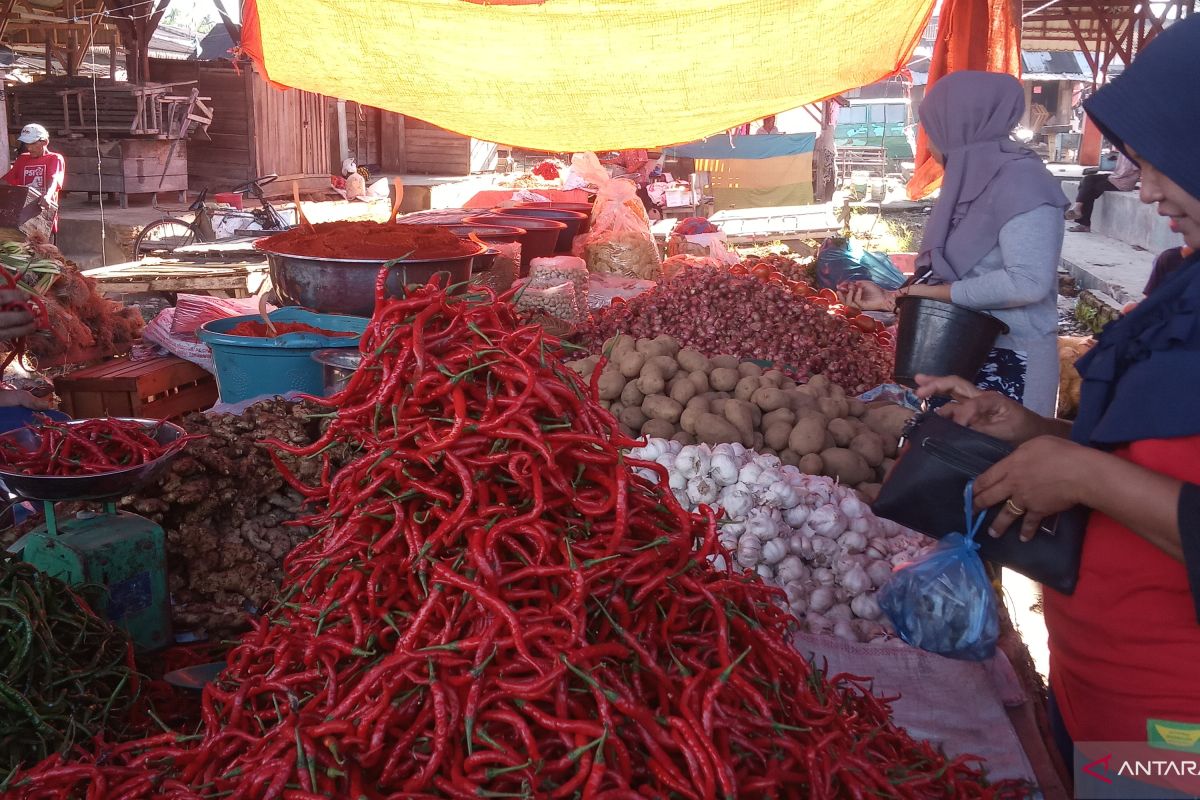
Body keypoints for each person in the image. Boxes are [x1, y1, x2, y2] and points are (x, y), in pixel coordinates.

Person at [915, 15, 1200, 787]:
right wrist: (1039, 428)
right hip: (1099, 689)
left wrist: (1084, 476)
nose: (1141, 187)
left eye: (1159, 159)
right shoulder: (1182, 285)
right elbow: (1161, 454)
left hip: (1178, 733)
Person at [840, 71, 1067, 415]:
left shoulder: (1025, 183)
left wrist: (925, 294)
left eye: (932, 130)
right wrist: (893, 298)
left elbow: (1027, 283)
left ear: (961, 127)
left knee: (1002, 466)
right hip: (956, 357)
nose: (929, 145)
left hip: (1010, 366)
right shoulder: (970, 185)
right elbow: (962, 280)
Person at [3, 123, 65, 229]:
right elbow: (7, 180)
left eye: (32, 143)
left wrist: (47, 196)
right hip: (23, 216)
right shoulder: (22, 159)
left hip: (44, 217)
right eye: (26, 144)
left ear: (45, 142)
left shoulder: (54, 158)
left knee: (44, 245)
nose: (29, 148)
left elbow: (54, 179)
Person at [1065, 151, 1140, 232]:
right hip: (1114, 177)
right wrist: (1116, 157)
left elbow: (1128, 170)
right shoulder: (1124, 149)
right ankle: (1078, 207)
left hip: (1123, 182)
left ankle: (1083, 222)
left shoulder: (1136, 151)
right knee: (1087, 179)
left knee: (1091, 189)